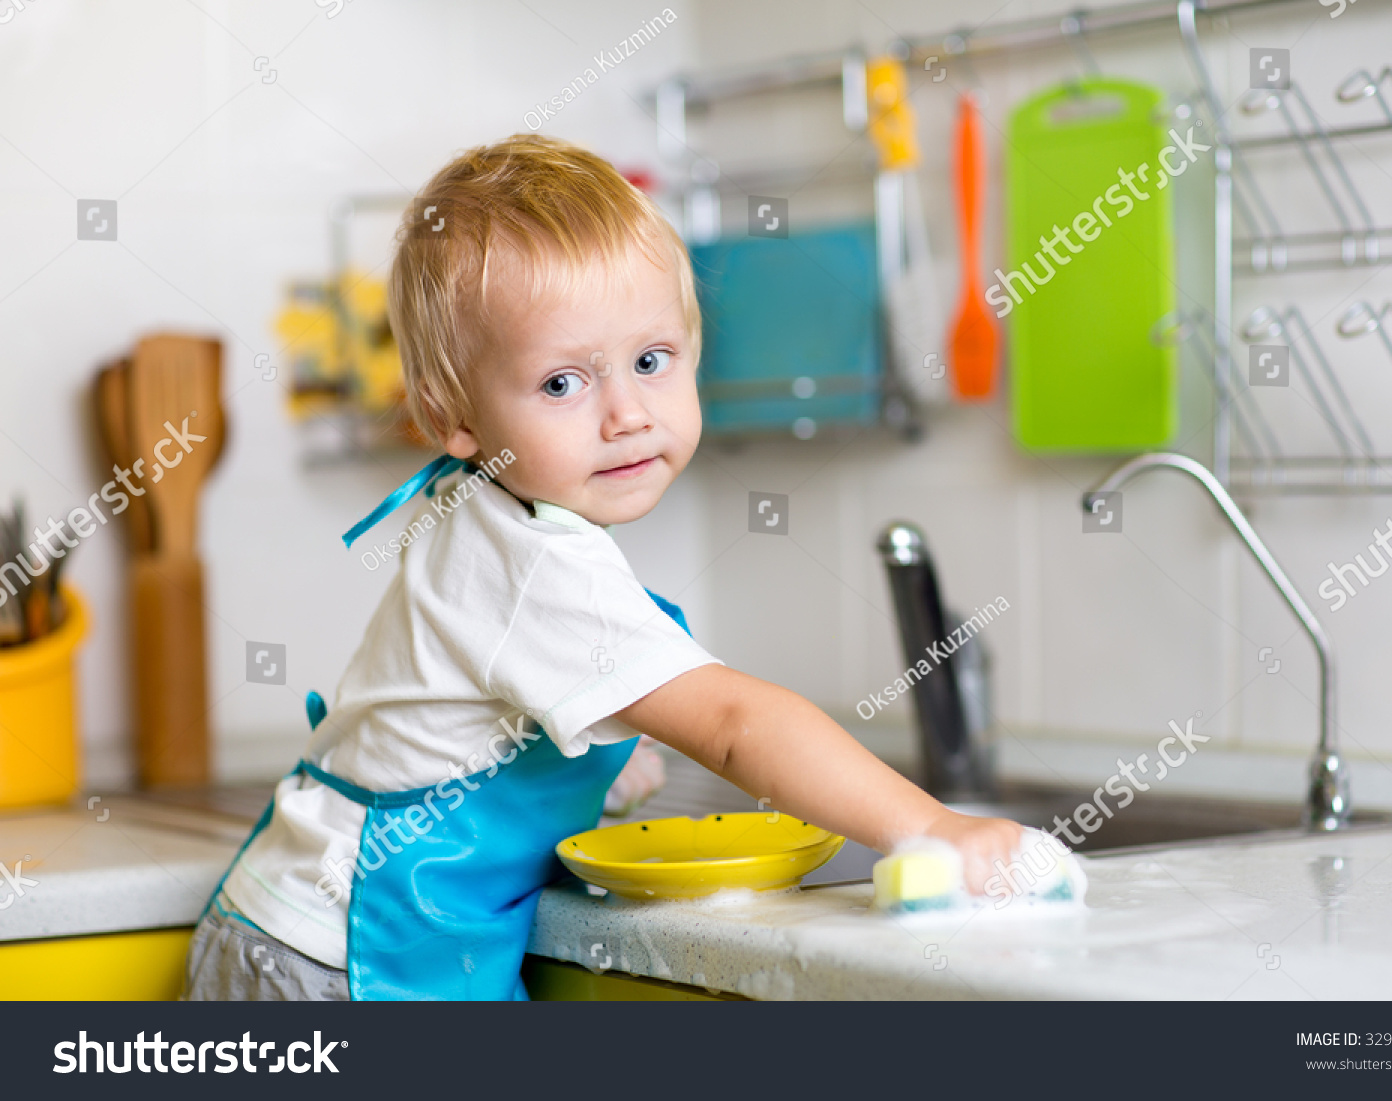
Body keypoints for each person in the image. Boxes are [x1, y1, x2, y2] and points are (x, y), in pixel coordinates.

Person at [183, 134, 1023, 1001]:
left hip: (288, 935)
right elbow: (733, 721)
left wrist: (596, 753)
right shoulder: (536, 560)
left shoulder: (483, 513)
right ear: (453, 417)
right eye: (561, 384)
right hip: (348, 960)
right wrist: (930, 825)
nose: (626, 412)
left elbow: (457, 710)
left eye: (651, 361)